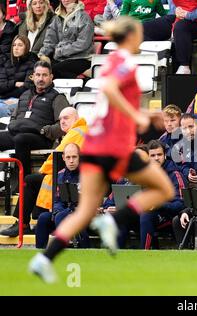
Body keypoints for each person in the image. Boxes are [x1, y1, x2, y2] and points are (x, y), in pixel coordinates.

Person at [29, 16, 175, 284]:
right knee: (164, 189)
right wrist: (137, 115)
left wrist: (146, 115)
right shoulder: (124, 64)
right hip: (113, 146)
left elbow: (111, 103)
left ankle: (44, 259)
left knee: (85, 211)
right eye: (139, 34)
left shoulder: (110, 63)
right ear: (130, 37)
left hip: (95, 146)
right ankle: (114, 219)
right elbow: (109, 91)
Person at [0, 107, 84, 237]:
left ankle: (22, 224)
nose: (62, 121)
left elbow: (56, 159)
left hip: (73, 178)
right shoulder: (78, 131)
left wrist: (43, 170)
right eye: (60, 119)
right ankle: (26, 223)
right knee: (33, 180)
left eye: (66, 118)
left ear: (76, 119)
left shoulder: (76, 132)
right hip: (69, 174)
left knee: (30, 180)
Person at [0, 61, 70, 176]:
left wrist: (45, 131)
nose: (41, 79)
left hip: (41, 137)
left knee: (21, 140)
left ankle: (23, 181)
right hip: (17, 133)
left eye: (44, 75)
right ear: (32, 77)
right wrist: (13, 125)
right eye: (38, 75)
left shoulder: (57, 97)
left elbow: (64, 124)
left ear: (51, 77)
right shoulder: (24, 95)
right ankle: (2, 179)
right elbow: (14, 116)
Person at [142, 0, 197, 75]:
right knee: (143, 28)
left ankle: (184, 66)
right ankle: (159, 57)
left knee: (180, 27)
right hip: (179, 16)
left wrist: (187, 15)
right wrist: (177, 9)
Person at [34, 143, 89, 248]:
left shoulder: (88, 174)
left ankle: (63, 246)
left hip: (82, 212)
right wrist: (58, 210)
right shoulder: (60, 175)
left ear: (80, 157)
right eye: (68, 157)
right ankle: (40, 250)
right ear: (63, 158)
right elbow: (57, 200)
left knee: (61, 216)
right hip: (65, 211)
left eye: (74, 157)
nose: (71, 161)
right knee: (43, 218)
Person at [140, 140, 186, 249]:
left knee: (146, 216)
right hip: (149, 212)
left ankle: (143, 252)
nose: (156, 158)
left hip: (169, 216)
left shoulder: (175, 174)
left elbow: (182, 204)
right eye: (153, 155)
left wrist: (159, 204)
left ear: (165, 155)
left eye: (159, 154)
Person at [38, 0, 94, 79]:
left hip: (81, 58)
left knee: (53, 70)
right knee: (39, 69)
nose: (66, 0)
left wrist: (61, 51)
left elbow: (82, 44)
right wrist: (43, 54)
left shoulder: (84, 17)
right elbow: (50, 40)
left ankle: (82, 81)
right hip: (60, 58)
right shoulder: (57, 18)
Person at [0, 35, 38, 117]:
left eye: (20, 45)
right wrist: (14, 83)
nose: (16, 48)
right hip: (2, 98)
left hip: (19, 100)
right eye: (14, 45)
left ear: (26, 47)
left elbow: (27, 87)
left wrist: (7, 92)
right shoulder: (5, 62)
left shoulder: (32, 64)